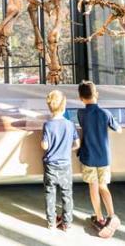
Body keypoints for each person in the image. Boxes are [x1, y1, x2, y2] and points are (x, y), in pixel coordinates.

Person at [77, 80, 122, 239]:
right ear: (96, 94)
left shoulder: (80, 113)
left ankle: (100, 217)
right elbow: (118, 129)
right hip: (104, 158)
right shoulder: (106, 114)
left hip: (88, 157)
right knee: (104, 187)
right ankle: (112, 215)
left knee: (93, 187)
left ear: (81, 98)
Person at [41, 90, 80, 231]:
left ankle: (51, 222)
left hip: (50, 165)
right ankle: (67, 224)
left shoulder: (47, 125)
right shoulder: (70, 125)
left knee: (49, 193)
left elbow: (44, 145)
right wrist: (66, 150)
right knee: (67, 194)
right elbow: (77, 144)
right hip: (65, 165)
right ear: (64, 106)